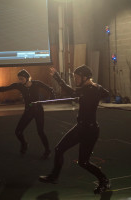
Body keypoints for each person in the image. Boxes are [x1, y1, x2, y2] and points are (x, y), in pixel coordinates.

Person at [38, 65, 110, 194]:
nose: (76, 80)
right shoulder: (89, 89)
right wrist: (94, 92)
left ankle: (104, 180)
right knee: (59, 149)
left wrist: (58, 79)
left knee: (83, 162)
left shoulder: (90, 89)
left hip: (90, 131)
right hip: (80, 127)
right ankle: (53, 177)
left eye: (77, 77)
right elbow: (104, 93)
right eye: (75, 77)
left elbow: (74, 93)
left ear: (85, 77)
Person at [0, 69, 55, 159]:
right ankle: (24, 143)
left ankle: (47, 150)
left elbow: (50, 89)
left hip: (38, 111)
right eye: (19, 79)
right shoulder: (19, 86)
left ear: (27, 78)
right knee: (18, 131)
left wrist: (52, 96)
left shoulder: (37, 83)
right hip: (28, 111)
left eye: (22, 79)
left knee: (40, 132)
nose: (20, 81)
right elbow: (4, 88)